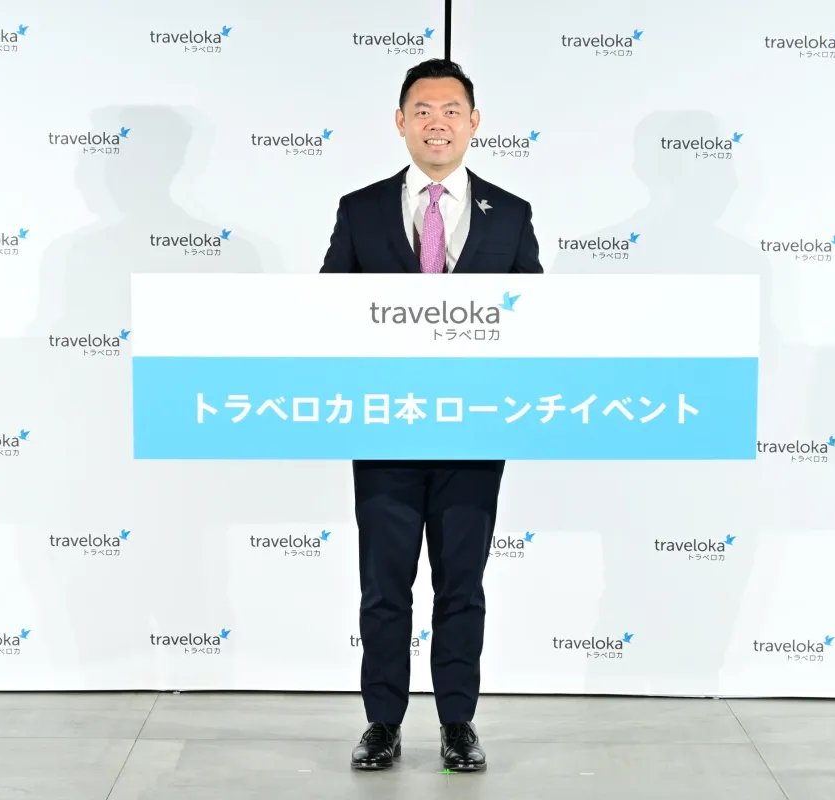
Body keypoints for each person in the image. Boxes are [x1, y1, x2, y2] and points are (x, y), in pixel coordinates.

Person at [320, 58, 543, 772]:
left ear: (474, 123)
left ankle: (457, 723)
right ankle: (382, 722)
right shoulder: (360, 209)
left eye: (451, 110)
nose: (436, 122)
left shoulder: (511, 213)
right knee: (385, 587)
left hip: (473, 430)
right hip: (385, 426)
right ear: (400, 121)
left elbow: (537, 319)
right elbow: (327, 310)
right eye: (422, 110)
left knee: (461, 586)